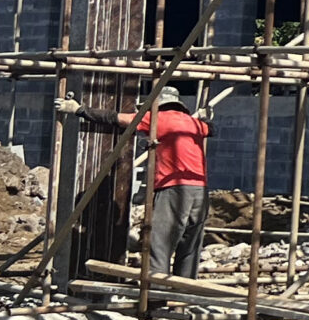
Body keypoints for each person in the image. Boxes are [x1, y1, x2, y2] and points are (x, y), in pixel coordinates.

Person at [57, 87, 213, 277]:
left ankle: (156, 287)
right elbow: (211, 129)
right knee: (190, 243)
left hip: (174, 189)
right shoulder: (194, 123)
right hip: (200, 190)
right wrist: (205, 118)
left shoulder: (156, 118)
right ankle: (183, 290)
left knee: (159, 240)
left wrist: (79, 110)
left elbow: (115, 118)